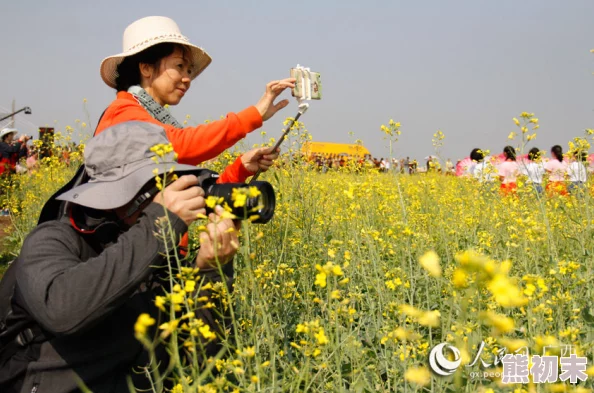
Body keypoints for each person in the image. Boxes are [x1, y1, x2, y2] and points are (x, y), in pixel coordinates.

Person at [0, 122, 242, 392]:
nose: (167, 195)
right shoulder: (51, 240)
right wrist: (159, 224)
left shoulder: (158, 252)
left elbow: (200, 356)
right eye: (156, 186)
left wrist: (210, 272)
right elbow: (63, 311)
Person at [97, 16, 293, 184]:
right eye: (180, 66)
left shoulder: (157, 120)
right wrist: (252, 116)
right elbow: (180, 146)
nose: (187, 78)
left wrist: (241, 168)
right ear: (146, 68)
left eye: (189, 70)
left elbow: (193, 197)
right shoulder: (122, 114)